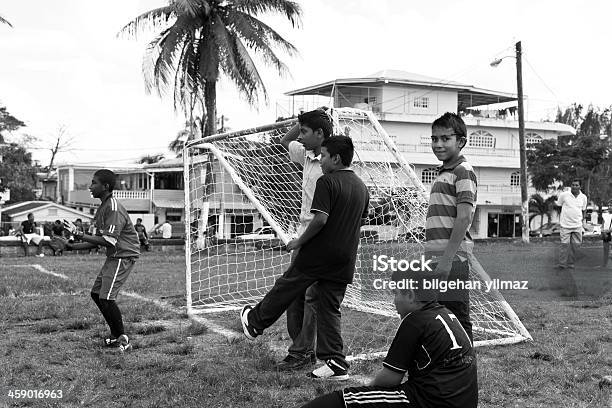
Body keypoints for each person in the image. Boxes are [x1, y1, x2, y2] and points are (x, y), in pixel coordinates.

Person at [241, 136, 370, 380]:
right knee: (328, 308)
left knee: (288, 285)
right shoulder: (362, 187)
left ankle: (255, 322)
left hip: (319, 253)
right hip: (345, 257)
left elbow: (320, 219)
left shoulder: (327, 181)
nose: (320, 161)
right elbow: (359, 222)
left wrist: (299, 241)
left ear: (336, 158)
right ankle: (336, 363)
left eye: (323, 156)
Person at [298, 270, 478, 408]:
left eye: (396, 293)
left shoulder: (415, 320)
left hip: (431, 401)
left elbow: (390, 379)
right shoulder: (448, 314)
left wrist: (365, 391)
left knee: (343, 400)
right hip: (465, 401)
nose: (394, 301)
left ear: (411, 294)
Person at [276, 108, 331, 371]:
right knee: (292, 291)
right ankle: (302, 348)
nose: (301, 137)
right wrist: (301, 122)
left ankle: (302, 352)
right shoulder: (306, 155)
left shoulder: (333, 162)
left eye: (306, 132)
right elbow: (285, 141)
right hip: (303, 235)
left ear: (320, 134)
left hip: (322, 237)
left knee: (312, 296)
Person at [63, 169, 140, 352]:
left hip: (123, 256)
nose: (90, 186)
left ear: (105, 186)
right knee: (97, 294)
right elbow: (98, 241)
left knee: (106, 297)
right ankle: (115, 336)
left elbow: (108, 241)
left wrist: (78, 233)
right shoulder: (103, 207)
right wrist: (71, 247)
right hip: (114, 255)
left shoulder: (113, 207)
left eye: (94, 183)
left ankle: (123, 340)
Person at [425, 112, 477, 341]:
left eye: (445, 139)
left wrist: (447, 259)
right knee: (440, 316)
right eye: (434, 139)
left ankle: (466, 369)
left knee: (456, 315)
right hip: (437, 257)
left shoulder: (462, 171)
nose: (438, 144)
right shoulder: (443, 172)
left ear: (461, 141)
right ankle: (446, 365)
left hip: (452, 259)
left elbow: (464, 218)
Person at [556, 180, 587, 269]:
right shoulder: (564, 195)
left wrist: (583, 220)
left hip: (577, 226)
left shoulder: (583, 197)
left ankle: (571, 263)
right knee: (564, 245)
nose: (574, 187)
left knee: (576, 246)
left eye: (576, 185)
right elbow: (559, 206)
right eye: (573, 185)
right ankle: (562, 264)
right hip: (565, 225)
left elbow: (584, 209)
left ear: (580, 187)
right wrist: (562, 217)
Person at [599, 201, 612, 268]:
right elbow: (603, 224)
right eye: (609, 205)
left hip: (609, 234)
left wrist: (607, 232)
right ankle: (604, 264)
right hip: (605, 234)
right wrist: (602, 231)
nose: (610, 207)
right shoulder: (605, 214)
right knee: (605, 250)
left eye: (611, 205)